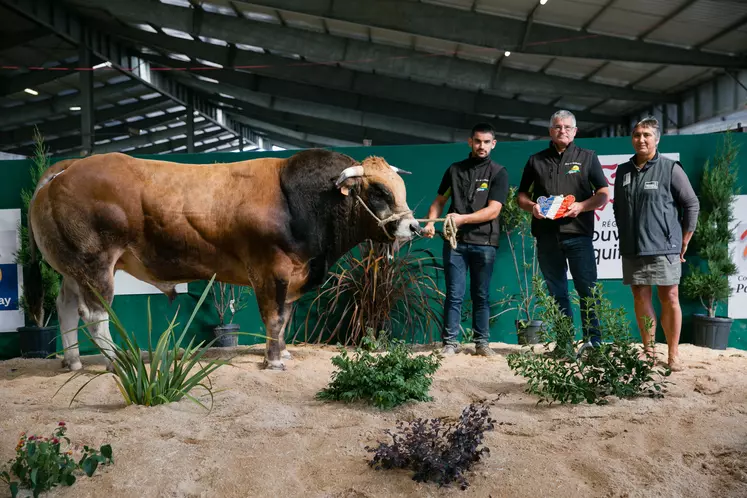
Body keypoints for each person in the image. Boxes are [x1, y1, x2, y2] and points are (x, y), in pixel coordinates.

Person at [517, 110, 610, 348]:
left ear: (575, 131)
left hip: (578, 234)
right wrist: (532, 207)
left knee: (587, 290)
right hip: (546, 235)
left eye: (568, 127)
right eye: (558, 127)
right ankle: (565, 343)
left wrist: (581, 206)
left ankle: (594, 342)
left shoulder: (587, 157)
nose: (563, 131)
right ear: (550, 130)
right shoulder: (535, 160)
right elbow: (522, 196)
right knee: (556, 291)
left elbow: (602, 194)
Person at [613, 117, 699, 371]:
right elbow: (618, 207)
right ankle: (649, 351)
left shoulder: (670, 168)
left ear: (656, 139)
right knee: (640, 296)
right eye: (637, 134)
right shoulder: (623, 171)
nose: (641, 139)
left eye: (647, 135)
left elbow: (691, 203)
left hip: (664, 247)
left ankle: (673, 355)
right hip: (633, 248)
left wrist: (685, 238)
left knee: (669, 296)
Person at [423, 123, 509, 356]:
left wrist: (462, 219)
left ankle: (482, 343)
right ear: (470, 142)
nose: (482, 146)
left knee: (481, 294)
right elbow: (439, 201)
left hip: (485, 243)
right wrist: (431, 222)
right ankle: (450, 343)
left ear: (494, 144)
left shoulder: (498, 172)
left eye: (486, 142)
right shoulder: (455, 170)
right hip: (456, 243)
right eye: (478, 141)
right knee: (454, 293)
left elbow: (493, 211)